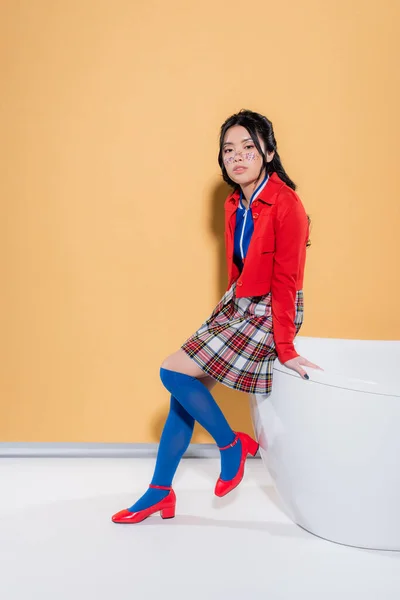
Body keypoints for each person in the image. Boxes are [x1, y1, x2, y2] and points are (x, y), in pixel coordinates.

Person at [111, 109, 321, 524]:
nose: (237, 157)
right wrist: (226, 308)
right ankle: (159, 492)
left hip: (270, 310)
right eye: (229, 149)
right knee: (181, 396)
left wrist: (286, 346)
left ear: (269, 152)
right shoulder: (233, 204)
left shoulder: (287, 204)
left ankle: (231, 446)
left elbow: (287, 281)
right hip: (241, 302)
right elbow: (239, 267)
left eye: (248, 148)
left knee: (172, 372)